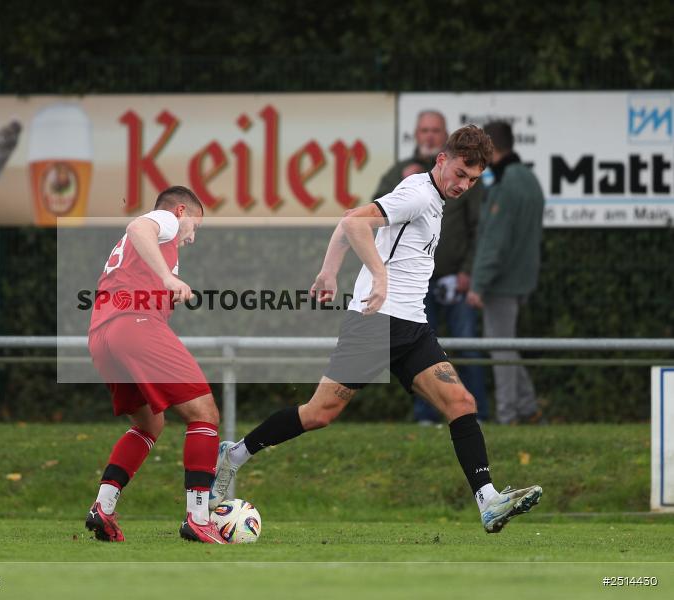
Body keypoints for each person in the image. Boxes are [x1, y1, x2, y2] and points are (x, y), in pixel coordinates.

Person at [211, 125, 542, 534]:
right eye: (459, 173)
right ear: (442, 160)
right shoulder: (419, 193)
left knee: (461, 401)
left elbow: (350, 221)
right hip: (375, 324)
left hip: (412, 327)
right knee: (319, 414)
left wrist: (329, 271)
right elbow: (355, 222)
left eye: (472, 180)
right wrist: (379, 277)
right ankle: (235, 454)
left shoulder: (433, 197)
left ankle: (488, 501)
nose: (463, 185)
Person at [84, 185, 226, 544]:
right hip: (134, 323)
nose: (192, 236)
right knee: (204, 413)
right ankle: (198, 518)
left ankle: (103, 507)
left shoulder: (149, 249)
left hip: (103, 334)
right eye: (195, 225)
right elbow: (138, 227)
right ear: (181, 211)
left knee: (149, 423)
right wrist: (167, 277)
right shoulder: (164, 219)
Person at [375, 111, 488, 424]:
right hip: (413, 286)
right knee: (419, 351)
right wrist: (400, 187)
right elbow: (371, 215)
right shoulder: (402, 173)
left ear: (444, 139)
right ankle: (426, 416)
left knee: (466, 346)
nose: (428, 135)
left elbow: (479, 227)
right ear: (416, 134)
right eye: (423, 130)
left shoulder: (464, 173)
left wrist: (468, 271)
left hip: (454, 278)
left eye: (435, 130)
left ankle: (474, 414)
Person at [467, 121, 545, 425]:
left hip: (502, 281)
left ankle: (509, 415)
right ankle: (528, 408)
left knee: (500, 348)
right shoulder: (529, 179)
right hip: (521, 278)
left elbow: (495, 241)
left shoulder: (506, 183)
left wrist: (479, 283)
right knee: (506, 344)